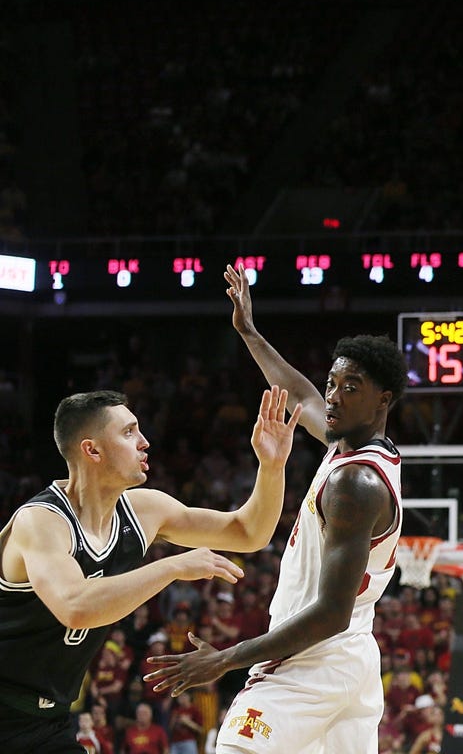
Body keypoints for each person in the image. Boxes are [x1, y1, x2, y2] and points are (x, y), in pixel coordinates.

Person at [145, 263, 408, 754]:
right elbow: (301, 393)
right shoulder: (352, 447)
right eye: (334, 382)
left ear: (383, 399)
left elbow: (330, 614)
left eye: (350, 388)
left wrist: (225, 659)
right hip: (351, 656)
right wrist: (249, 332)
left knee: (235, 748)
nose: (332, 396)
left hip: (316, 656)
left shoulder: (355, 481)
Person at [0, 385, 300, 752]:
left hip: (49, 722)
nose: (144, 442)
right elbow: (75, 607)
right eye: (128, 432)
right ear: (91, 449)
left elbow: (248, 532)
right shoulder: (41, 521)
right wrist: (171, 566)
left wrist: (271, 468)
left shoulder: (144, 510)